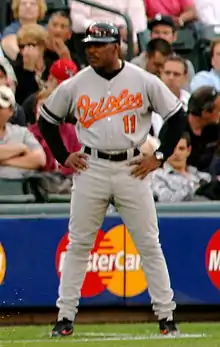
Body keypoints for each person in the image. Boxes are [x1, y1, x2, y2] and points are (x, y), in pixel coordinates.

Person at [38, 21, 187, 337]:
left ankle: (166, 316)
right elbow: (47, 119)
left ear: (115, 47)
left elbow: (176, 116)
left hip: (132, 166)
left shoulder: (141, 79)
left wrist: (159, 157)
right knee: (78, 243)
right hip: (91, 165)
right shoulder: (77, 83)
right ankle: (65, 317)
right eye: (89, 44)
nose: (91, 49)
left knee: (148, 243)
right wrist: (64, 155)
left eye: (98, 44)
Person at [150, 132, 211, 202]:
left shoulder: (204, 177)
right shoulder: (157, 176)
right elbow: (167, 200)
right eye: (172, 148)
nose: (176, 153)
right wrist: (195, 187)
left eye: (181, 148)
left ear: (188, 150)